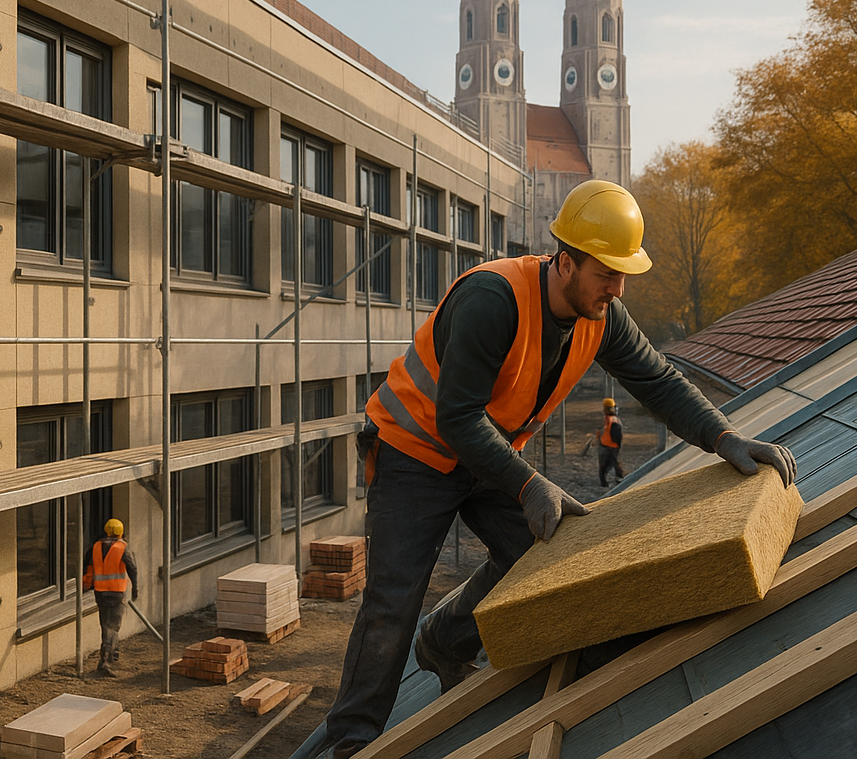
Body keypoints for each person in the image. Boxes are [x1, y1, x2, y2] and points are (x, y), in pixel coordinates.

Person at [313, 180, 796, 759]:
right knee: (393, 599)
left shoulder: (603, 315)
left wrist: (724, 436)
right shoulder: (492, 299)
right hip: (415, 451)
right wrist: (527, 482)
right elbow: (459, 417)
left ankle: (445, 640)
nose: (617, 291)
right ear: (565, 262)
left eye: (623, 277)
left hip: (485, 452)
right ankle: (349, 741)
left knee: (539, 558)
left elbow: (658, 379)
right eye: (606, 275)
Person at [82, 518, 138, 676]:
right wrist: (136, 588)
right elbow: (132, 569)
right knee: (112, 627)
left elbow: (89, 568)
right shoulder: (122, 548)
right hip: (116, 593)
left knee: (106, 624)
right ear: (121, 532)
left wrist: (86, 585)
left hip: (100, 592)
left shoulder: (96, 547)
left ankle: (113, 655)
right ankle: (105, 661)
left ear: (106, 531)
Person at [598, 396, 625, 487]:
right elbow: (617, 435)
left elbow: (601, 430)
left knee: (604, 465)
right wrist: (618, 444)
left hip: (605, 445)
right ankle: (618, 479)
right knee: (614, 463)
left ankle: (604, 482)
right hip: (612, 446)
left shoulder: (607, 419)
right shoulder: (614, 420)